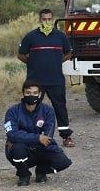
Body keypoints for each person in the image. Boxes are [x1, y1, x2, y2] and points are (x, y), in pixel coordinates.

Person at [18, 9, 76, 147]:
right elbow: (20, 55)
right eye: (44, 19)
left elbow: (68, 53)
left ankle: (66, 136)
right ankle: (29, 136)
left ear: (53, 19)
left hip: (56, 80)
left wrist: (57, 61)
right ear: (40, 20)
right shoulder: (31, 36)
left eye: (49, 19)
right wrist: (32, 63)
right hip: (35, 81)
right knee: (32, 106)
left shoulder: (60, 36)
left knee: (60, 107)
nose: (47, 22)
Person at [4, 80, 73, 187]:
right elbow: (12, 134)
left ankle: (41, 170)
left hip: (40, 147)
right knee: (18, 149)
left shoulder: (48, 111)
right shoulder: (12, 111)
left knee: (64, 162)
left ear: (40, 94)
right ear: (23, 93)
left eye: (35, 93)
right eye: (28, 93)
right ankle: (23, 175)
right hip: (21, 149)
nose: (31, 95)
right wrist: (37, 138)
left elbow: (47, 136)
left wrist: (44, 143)